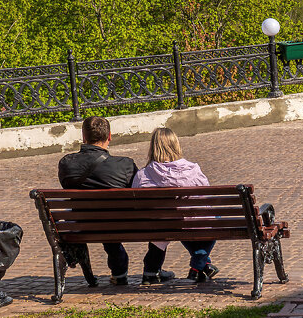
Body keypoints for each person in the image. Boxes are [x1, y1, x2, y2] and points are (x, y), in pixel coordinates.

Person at [58, 116, 138, 286]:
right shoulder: (125, 165)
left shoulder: (66, 164)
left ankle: (110, 270)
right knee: (109, 218)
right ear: (109, 136)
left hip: (81, 223)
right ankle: (121, 271)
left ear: (83, 137)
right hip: (117, 224)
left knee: (95, 216)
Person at [132, 128, 219, 283]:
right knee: (214, 218)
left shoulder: (143, 175)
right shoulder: (194, 171)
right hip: (190, 223)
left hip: (159, 225)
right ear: (176, 146)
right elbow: (206, 199)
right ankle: (200, 264)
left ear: (153, 147)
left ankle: (153, 270)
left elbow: (136, 204)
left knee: (175, 222)